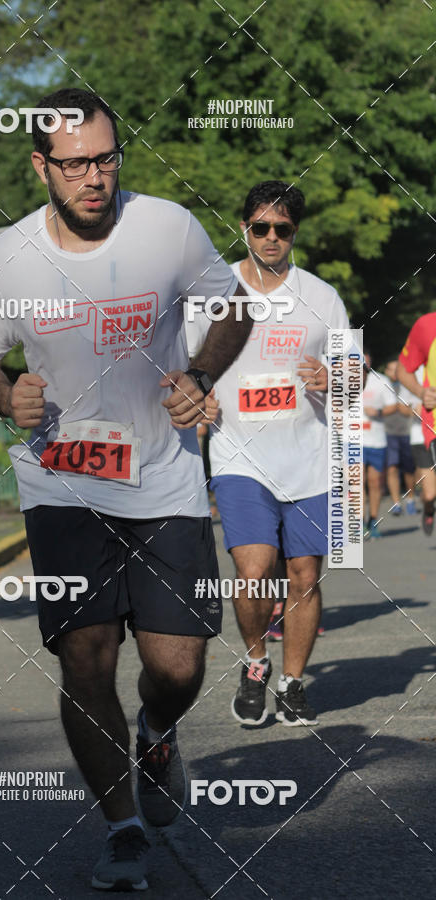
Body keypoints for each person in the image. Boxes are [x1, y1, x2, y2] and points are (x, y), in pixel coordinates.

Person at [0, 88, 254, 892]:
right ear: (40, 165)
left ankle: (157, 734)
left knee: (180, 665)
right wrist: (3, 390)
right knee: (86, 659)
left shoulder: (166, 227)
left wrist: (200, 373)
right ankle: (123, 829)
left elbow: (232, 307)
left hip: (162, 479)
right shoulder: (9, 257)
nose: (95, 177)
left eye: (106, 157)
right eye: (76, 163)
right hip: (64, 484)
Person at [187, 180, 349, 728]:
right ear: (244, 229)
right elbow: (181, 362)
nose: (271, 237)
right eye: (261, 227)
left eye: (282, 228)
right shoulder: (216, 291)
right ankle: (256, 663)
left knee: (304, 575)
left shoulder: (321, 296)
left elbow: (354, 372)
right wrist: (198, 393)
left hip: (308, 457)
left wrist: (333, 377)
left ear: (294, 233)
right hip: (239, 455)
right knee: (254, 570)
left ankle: (293, 682)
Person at [397, 314, 436, 532]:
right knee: (430, 493)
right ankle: (428, 509)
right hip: (429, 432)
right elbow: (403, 369)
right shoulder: (427, 326)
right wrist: (422, 393)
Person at [362, 353, 397, 538]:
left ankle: (372, 520)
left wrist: (379, 411)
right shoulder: (341, 379)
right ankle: (358, 521)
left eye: (366, 359)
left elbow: (393, 406)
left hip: (376, 440)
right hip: (352, 440)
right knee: (356, 481)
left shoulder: (380, 380)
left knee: (374, 483)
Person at [383, 360, 417, 516]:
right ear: (387, 371)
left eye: (398, 369)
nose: (395, 373)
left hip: (407, 433)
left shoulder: (408, 386)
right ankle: (396, 503)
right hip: (387, 433)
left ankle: (410, 499)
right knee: (392, 468)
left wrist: (404, 409)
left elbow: (413, 410)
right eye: (391, 369)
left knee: (409, 470)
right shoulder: (382, 386)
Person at [408, 366, 436, 534]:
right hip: (421, 440)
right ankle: (428, 510)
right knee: (430, 494)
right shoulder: (413, 374)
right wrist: (416, 410)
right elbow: (403, 406)